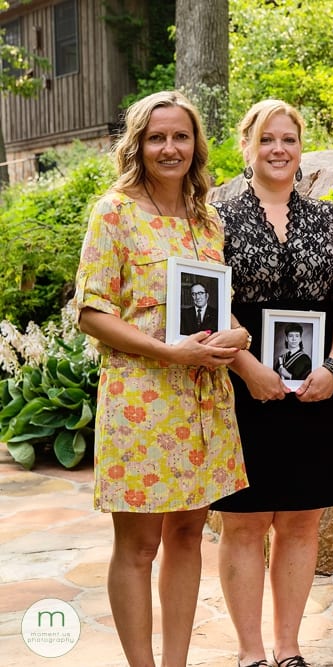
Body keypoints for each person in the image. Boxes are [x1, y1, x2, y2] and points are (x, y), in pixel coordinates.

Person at [73, 90, 250, 667]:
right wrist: (165, 353)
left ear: (195, 145)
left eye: (180, 136)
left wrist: (237, 335)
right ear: (138, 145)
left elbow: (211, 304)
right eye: (156, 137)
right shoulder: (115, 211)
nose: (169, 148)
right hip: (142, 401)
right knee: (140, 544)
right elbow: (92, 312)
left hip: (203, 401)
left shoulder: (207, 217)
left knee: (187, 536)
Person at [209, 99, 333, 667]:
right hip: (243, 389)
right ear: (247, 145)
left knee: (301, 519)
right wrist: (246, 368)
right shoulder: (216, 215)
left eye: (289, 139)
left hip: (317, 392)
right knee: (244, 523)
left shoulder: (331, 217)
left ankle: (289, 648)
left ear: (301, 147)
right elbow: (207, 300)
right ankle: (250, 652)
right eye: (267, 139)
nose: (279, 149)